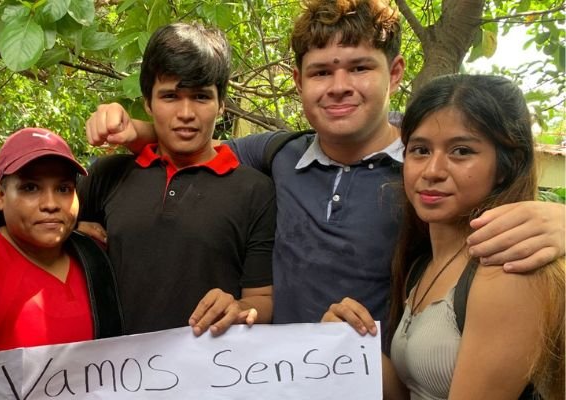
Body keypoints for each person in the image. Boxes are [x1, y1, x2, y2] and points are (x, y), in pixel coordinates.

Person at [84, 0, 565, 333]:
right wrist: (137, 130)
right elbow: (195, 140)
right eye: (320, 72)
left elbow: (507, 209)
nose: (338, 86)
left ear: (393, 72)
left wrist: (559, 220)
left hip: (387, 379)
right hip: (280, 379)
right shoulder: (276, 155)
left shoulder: (428, 174)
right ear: (297, 81)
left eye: (358, 67)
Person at [323, 74, 564, 400]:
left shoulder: (507, 269)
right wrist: (354, 345)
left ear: (508, 165)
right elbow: (414, 392)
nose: (432, 170)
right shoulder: (422, 265)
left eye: (461, 151)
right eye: (420, 150)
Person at [78, 22, 275, 336]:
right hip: (114, 377)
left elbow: (262, 299)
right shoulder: (108, 175)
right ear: (148, 103)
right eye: (170, 96)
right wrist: (70, 236)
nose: (186, 112)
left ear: (221, 104)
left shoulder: (255, 191)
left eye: (200, 96)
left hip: (212, 373)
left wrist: (238, 308)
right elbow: (39, 234)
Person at [0, 127, 122, 353]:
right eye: (30, 188)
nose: (51, 203)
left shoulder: (94, 253)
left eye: (63, 189)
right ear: (0, 195)